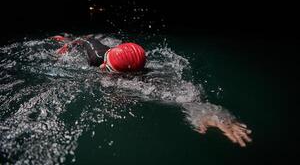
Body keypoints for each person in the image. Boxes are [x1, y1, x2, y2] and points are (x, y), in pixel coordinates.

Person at [50, 34, 252, 147]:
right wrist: (67, 43)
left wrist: (215, 116)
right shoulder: (97, 57)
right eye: (106, 64)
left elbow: (187, 98)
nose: (103, 69)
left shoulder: (151, 80)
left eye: (109, 69)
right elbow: (85, 40)